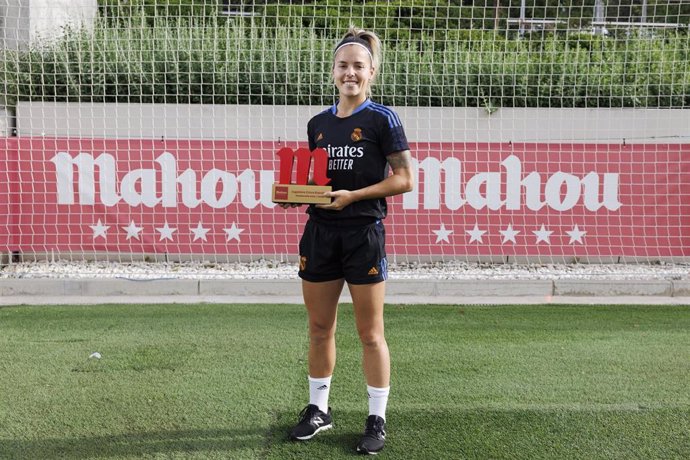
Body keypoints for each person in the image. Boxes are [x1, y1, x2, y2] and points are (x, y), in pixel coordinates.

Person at [282, 26, 414, 455]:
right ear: (333, 71)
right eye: (343, 65)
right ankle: (318, 409)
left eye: (359, 66)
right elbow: (312, 181)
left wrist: (354, 196)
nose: (350, 73)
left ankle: (377, 417)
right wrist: (294, 195)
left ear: (372, 72)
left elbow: (405, 179)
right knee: (319, 328)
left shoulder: (383, 119)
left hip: (363, 235)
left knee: (370, 333)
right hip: (320, 234)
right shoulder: (317, 123)